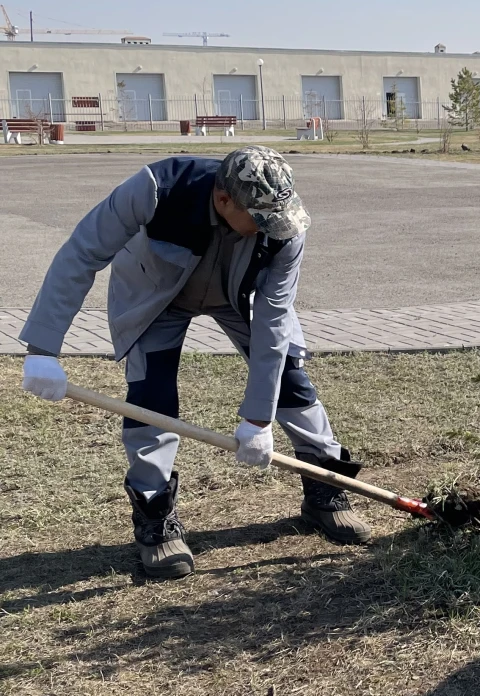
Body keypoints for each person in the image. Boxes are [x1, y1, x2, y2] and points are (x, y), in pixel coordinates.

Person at [19, 146, 372, 579]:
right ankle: (155, 516)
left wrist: (258, 418)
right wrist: (43, 348)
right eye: (260, 220)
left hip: (241, 297)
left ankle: (326, 488)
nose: (272, 228)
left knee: (291, 379)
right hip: (157, 297)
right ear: (224, 200)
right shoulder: (156, 188)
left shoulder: (286, 223)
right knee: (153, 391)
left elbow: (275, 318)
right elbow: (82, 253)